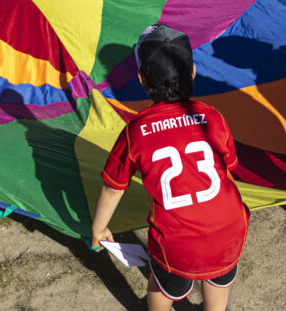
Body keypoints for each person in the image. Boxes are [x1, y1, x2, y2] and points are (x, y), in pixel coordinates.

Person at [91, 24, 249, 311]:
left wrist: (99, 228)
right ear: (193, 73)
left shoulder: (135, 131)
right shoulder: (212, 117)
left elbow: (112, 188)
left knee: (161, 286)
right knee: (217, 283)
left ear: (141, 79)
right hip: (229, 230)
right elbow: (229, 167)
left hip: (177, 245)